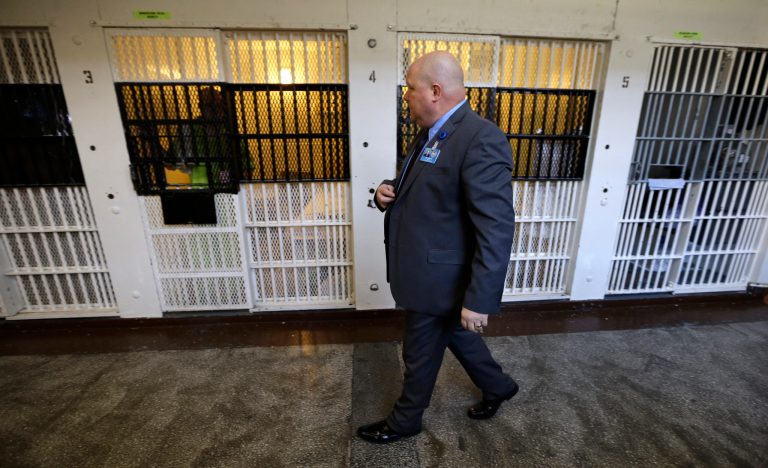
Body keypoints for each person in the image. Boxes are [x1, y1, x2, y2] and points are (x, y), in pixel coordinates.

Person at [357, 51, 518, 444]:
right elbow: (423, 187)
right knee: (458, 336)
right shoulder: (432, 132)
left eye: (409, 88)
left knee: (419, 352)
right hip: (428, 273)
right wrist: (385, 192)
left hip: (442, 278)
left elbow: (496, 227)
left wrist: (478, 300)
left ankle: (405, 421)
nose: (406, 96)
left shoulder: (480, 138)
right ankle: (499, 386)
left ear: (434, 90)